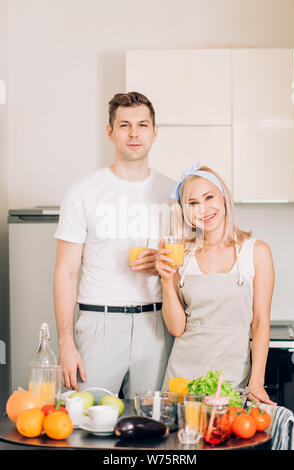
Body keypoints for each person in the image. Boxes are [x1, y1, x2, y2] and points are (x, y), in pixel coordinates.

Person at [53, 91, 175, 398]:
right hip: (98, 324)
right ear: (110, 132)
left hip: (157, 326)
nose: (134, 133)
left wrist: (165, 268)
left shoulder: (174, 193)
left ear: (155, 132)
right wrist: (66, 344)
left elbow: (195, 261)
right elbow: (66, 272)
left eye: (143, 125)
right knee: (83, 425)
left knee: (155, 428)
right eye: (124, 125)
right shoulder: (83, 191)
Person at [156, 163, 276, 405]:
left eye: (209, 197)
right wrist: (166, 280)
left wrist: (256, 381)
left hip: (230, 379)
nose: (203, 209)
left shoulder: (256, 252)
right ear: (185, 211)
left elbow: (261, 322)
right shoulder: (182, 255)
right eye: (192, 203)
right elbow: (177, 329)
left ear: (224, 198)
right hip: (182, 377)